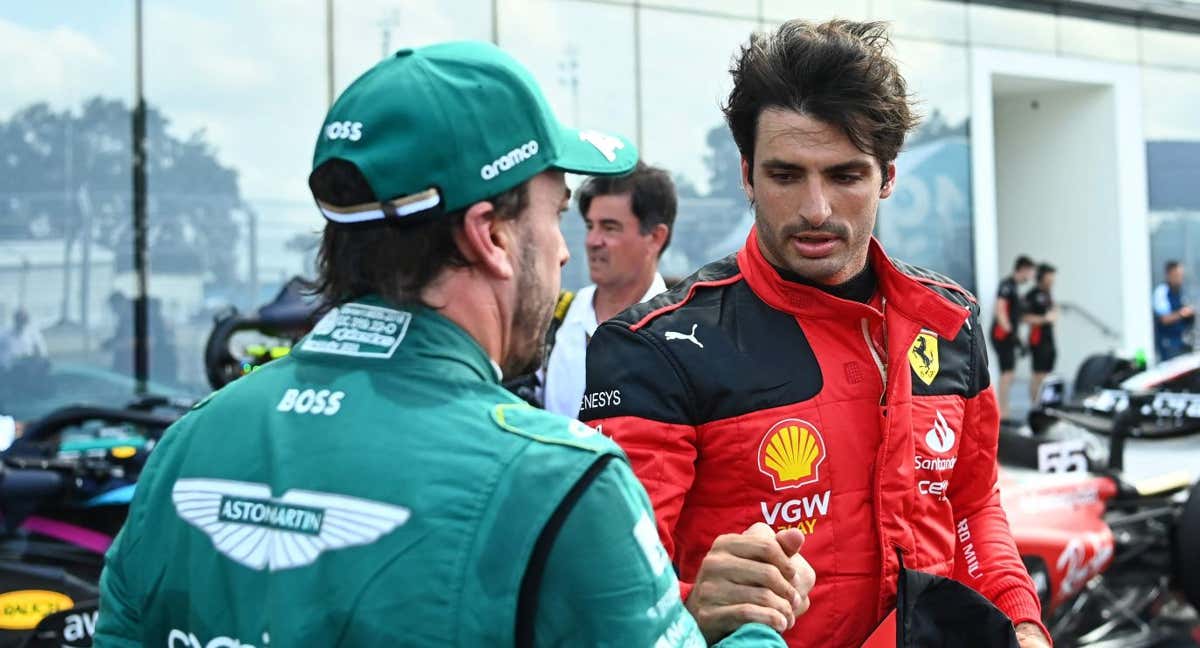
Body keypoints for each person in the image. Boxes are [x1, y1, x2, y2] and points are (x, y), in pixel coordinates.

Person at [95, 41, 805, 647]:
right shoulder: (561, 482)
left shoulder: (191, 442)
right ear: (490, 235)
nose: (563, 251)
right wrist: (753, 623)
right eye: (555, 214)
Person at [582, 20, 1049, 648]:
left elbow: (971, 508)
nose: (816, 209)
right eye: (785, 175)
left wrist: (1021, 621)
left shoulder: (950, 321)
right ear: (746, 175)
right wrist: (691, 607)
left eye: (845, 175)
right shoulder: (652, 348)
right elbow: (604, 599)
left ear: (887, 177)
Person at [543, 162, 674, 417]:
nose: (592, 241)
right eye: (590, 226)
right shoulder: (554, 319)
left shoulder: (686, 330)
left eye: (610, 227)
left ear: (656, 237)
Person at [991, 256, 1035, 419]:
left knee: (1009, 374)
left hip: (1009, 336)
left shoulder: (1015, 288)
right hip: (1002, 336)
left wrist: (1019, 339)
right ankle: (1002, 413)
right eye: (1030, 272)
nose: (1031, 276)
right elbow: (1000, 310)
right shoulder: (1007, 285)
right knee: (1007, 374)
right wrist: (1010, 333)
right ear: (1023, 269)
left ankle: (1004, 410)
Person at [1024, 263, 1059, 405]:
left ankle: (1044, 404)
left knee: (1048, 374)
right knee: (1038, 375)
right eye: (1050, 276)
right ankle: (1035, 405)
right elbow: (1024, 317)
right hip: (1037, 340)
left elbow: (1054, 313)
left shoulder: (1048, 293)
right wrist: (1044, 319)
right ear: (1043, 277)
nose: (1053, 280)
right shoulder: (1032, 295)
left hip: (1049, 339)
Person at [1153, 260, 1195, 361]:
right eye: (1177, 275)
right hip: (1168, 345)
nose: (1180, 278)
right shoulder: (1161, 292)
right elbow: (1164, 319)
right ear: (1169, 275)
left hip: (1182, 343)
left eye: (1181, 275)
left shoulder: (1180, 292)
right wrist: (1182, 314)